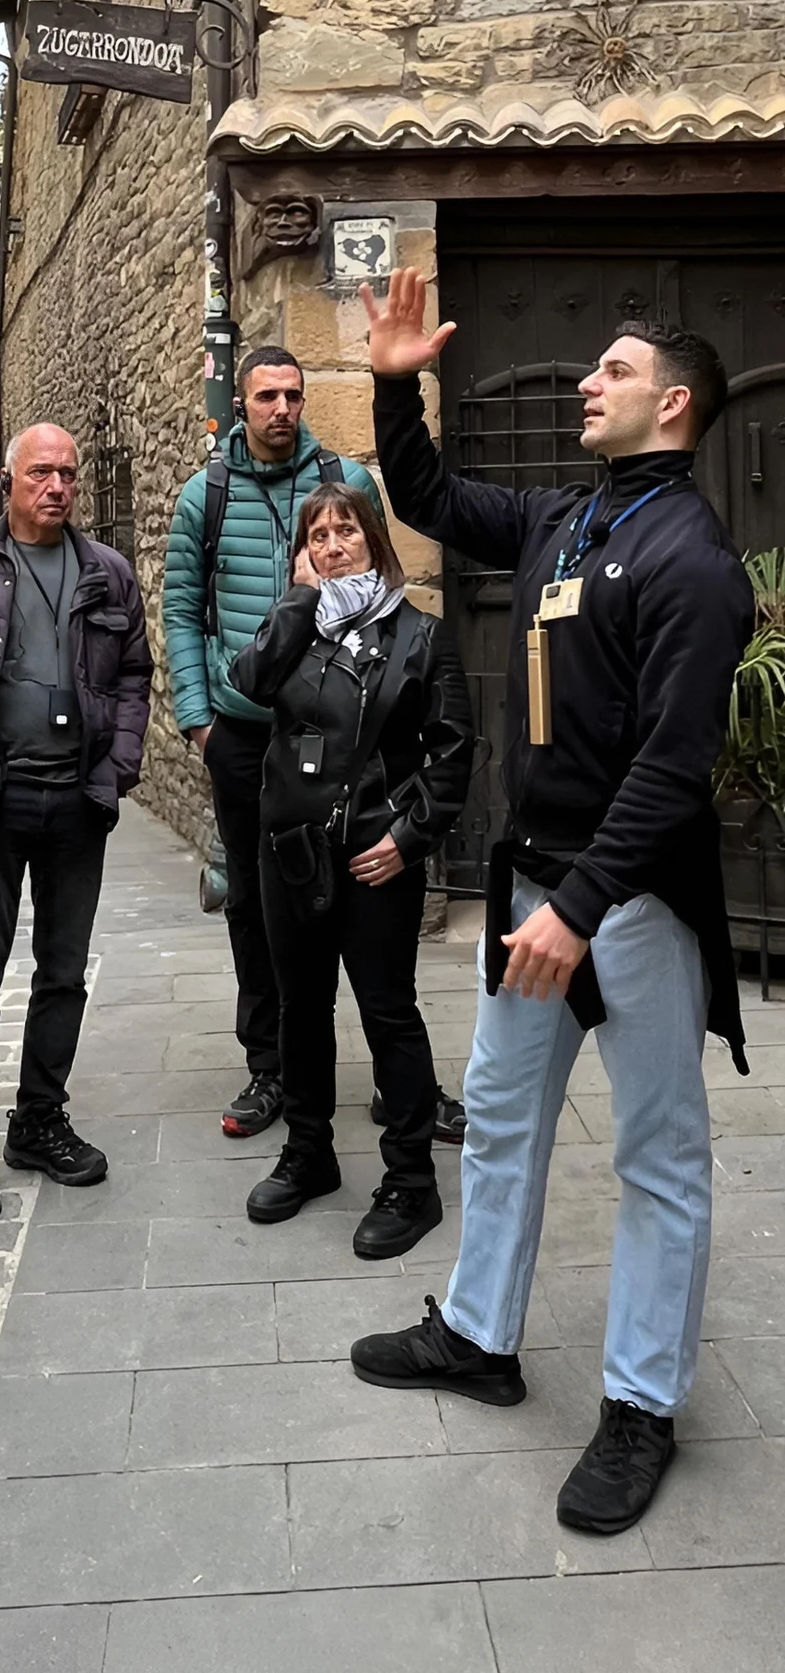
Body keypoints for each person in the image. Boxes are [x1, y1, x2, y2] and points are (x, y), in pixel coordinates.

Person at [348, 268, 755, 1534]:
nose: (590, 379)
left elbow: (672, 769)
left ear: (674, 402)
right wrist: (393, 384)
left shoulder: (695, 564)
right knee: (509, 1122)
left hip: (625, 907)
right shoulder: (564, 523)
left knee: (659, 1156)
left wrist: (575, 906)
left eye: (617, 371)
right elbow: (420, 494)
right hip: (538, 891)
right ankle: (479, 1332)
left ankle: (640, 1404)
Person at [165, 346, 466, 1147]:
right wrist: (200, 716)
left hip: (344, 734)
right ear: (241, 402)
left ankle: (399, 1078)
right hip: (247, 728)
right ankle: (272, 1064)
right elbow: (182, 610)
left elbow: (388, 587)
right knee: (258, 907)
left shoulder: (346, 483)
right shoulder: (209, 493)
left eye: (294, 394)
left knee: (368, 908)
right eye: (266, 395)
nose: (282, 408)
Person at [0, 424, 153, 1225]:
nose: (58, 485)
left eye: (69, 474)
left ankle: (39, 1119)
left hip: (77, 804)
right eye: (41, 472)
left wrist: (113, 771)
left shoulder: (108, 573)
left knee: (64, 973)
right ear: (6, 479)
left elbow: (137, 676)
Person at [229, 484, 473, 1257]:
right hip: (292, 853)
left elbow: (455, 752)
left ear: (375, 541)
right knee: (301, 1006)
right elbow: (250, 679)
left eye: (348, 531)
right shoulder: (295, 625)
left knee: (387, 1011)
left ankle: (410, 1180)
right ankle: (309, 1153)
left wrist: (409, 836)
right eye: (319, 534)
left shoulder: (420, 636)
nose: (334, 545)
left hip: (377, 859)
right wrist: (301, 598)